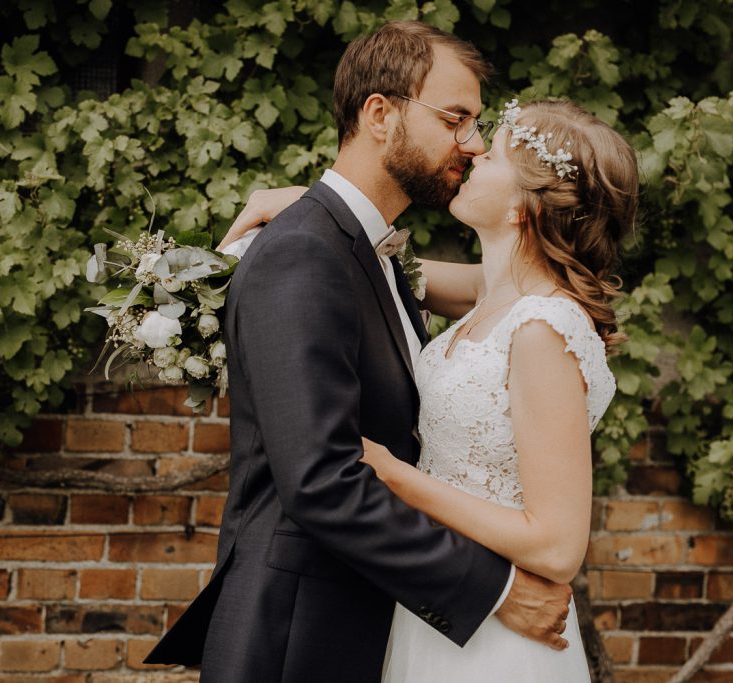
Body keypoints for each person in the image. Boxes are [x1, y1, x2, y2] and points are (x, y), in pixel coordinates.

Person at [143, 20, 574, 683]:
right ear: (380, 114)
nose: (475, 142)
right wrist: (495, 589)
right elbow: (322, 480)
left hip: (362, 630)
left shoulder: (363, 253)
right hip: (296, 636)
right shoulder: (303, 253)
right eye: (456, 118)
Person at [219, 97, 637, 681]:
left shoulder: (544, 327)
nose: (471, 154)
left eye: (491, 157)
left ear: (525, 208)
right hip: (434, 612)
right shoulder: (497, 296)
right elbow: (381, 261)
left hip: (498, 639)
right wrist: (312, 206)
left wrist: (396, 476)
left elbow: (558, 546)